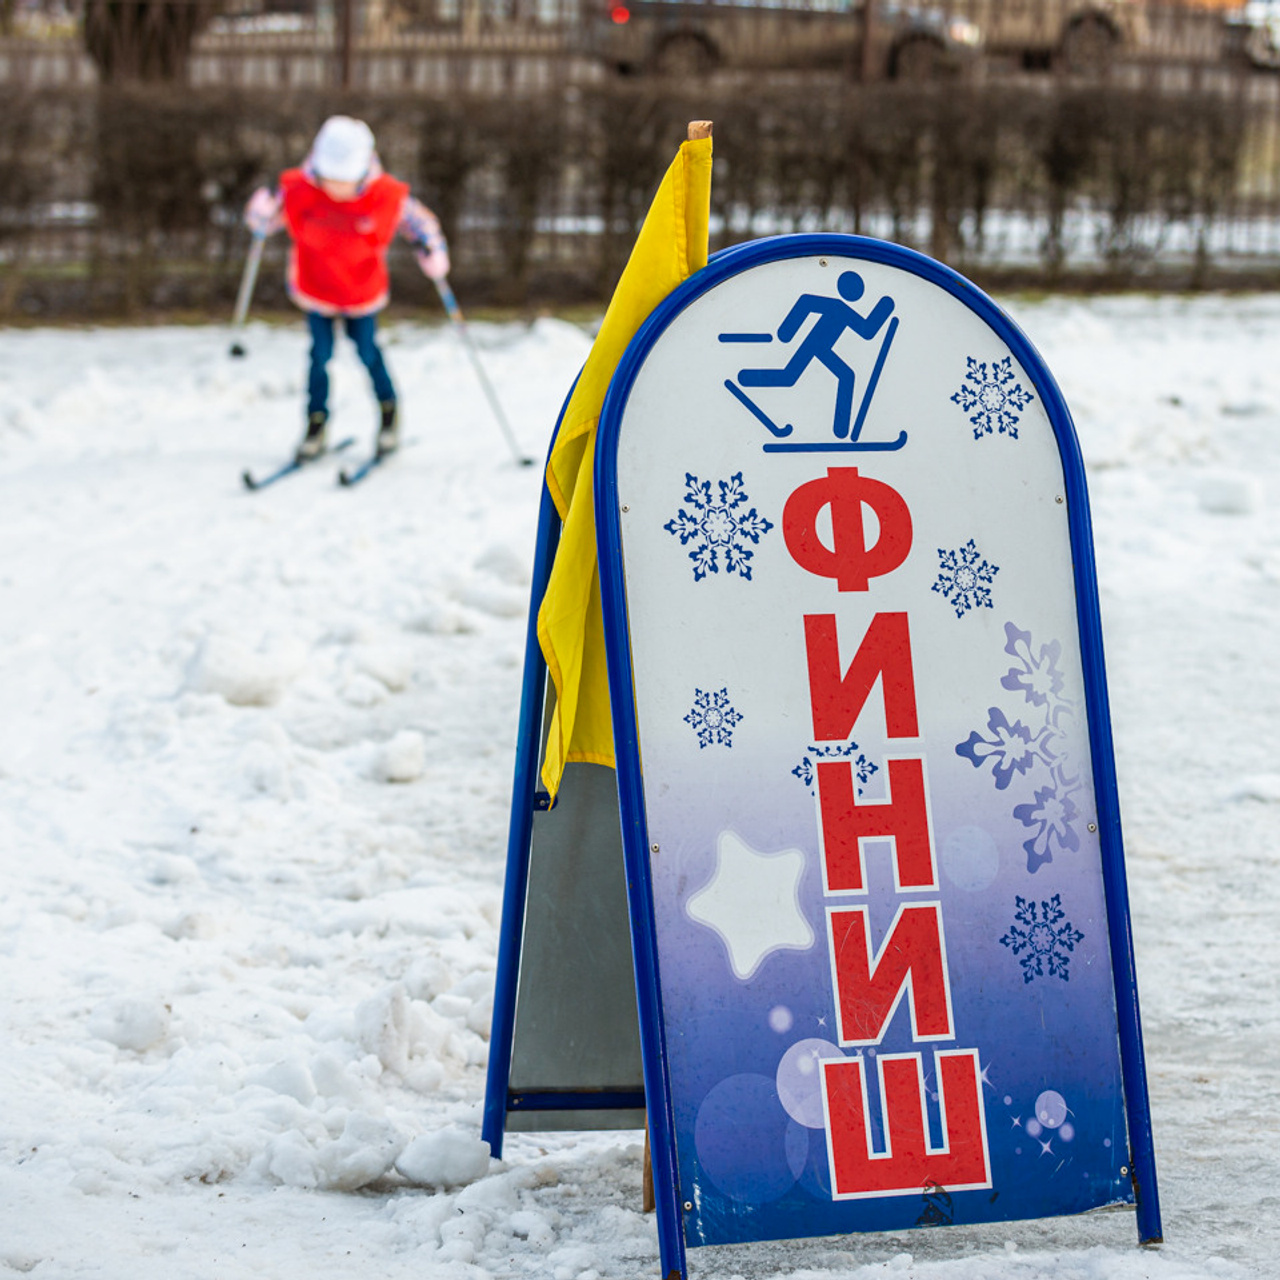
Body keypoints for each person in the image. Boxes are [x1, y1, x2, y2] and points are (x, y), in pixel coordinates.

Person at [243, 115, 450, 462]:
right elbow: (266, 221)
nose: (336, 188)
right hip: (318, 289)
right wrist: (259, 214)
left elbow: (420, 223)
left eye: (345, 180)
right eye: (330, 179)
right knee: (319, 356)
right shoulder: (299, 189)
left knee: (368, 351)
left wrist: (432, 249)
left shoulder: (385, 194)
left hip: (361, 292)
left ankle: (388, 415)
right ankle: (316, 424)